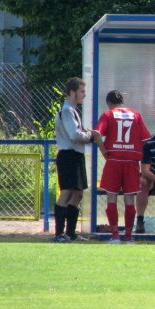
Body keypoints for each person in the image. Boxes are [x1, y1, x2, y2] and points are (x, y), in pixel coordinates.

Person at [95, 90, 151, 244]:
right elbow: (146, 138)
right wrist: (134, 147)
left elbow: (96, 133)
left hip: (114, 160)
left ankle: (114, 236)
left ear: (109, 103)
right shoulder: (135, 115)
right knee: (129, 199)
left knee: (111, 197)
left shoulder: (108, 114)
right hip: (131, 162)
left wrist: (103, 149)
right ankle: (128, 236)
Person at [53, 77, 103, 242]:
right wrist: (91, 136)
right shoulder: (67, 110)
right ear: (72, 92)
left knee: (78, 193)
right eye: (82, 91)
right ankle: (59, 233)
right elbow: (74, 135)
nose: (84, 95)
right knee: (66, 192)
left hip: (76, 155)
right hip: (68, 155)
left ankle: (71, 233)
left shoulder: (73, 110)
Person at [135, 118, 155, 234]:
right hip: (154, 177)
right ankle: (140, 219)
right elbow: (145, 171)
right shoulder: (149, 143)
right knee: (143, 183)